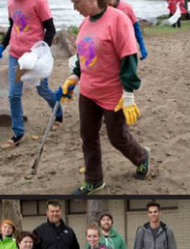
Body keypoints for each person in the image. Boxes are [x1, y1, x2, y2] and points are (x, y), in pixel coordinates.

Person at [58, 0, 153, 195]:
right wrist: (74, 77)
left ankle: (142, 157)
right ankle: (94, 181)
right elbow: (82, 55)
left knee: (117, 137)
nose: (74, 7)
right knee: (88, 136)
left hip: (113, 94)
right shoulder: (85, 23)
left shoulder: (118, 20)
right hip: (88, 92)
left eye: (76, 2)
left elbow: (129, 58)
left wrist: (128, 95)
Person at [0, 0, 63, 148]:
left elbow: (50, 29)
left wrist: (41, 52)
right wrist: (2, 45)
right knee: (14, 94)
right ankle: (18, 133)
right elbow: (13, 26)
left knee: (42, 90)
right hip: (16, 57)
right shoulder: (11, 3)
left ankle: (58, 112)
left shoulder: (39, 2)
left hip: (34, 57)